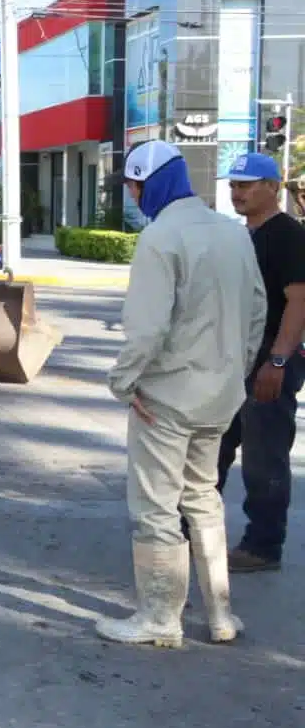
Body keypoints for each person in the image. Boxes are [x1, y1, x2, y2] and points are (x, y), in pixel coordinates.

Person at [100, 140, 266, 649]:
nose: (131, 195)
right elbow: (257, 312)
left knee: (156, 507)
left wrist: (123, 383)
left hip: (166, 398)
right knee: (204, 499)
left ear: (146, 184)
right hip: (220, 396)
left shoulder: (159, 238)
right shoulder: (233, 234)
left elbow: (146, 331)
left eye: (132, 186)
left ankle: (159, 618)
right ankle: (220, 615)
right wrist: (236, 372)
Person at [215, 152, 305, 572]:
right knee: (213, 444)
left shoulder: (287, 234)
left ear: (272, 186)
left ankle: (263, 546)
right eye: (233, 184)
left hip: (270, 360)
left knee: (263, 455)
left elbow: (299, 301)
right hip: (234, 359)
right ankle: (190, 529)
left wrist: (279, 361)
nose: (238, 192)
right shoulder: (240, 236)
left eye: (247, 184)